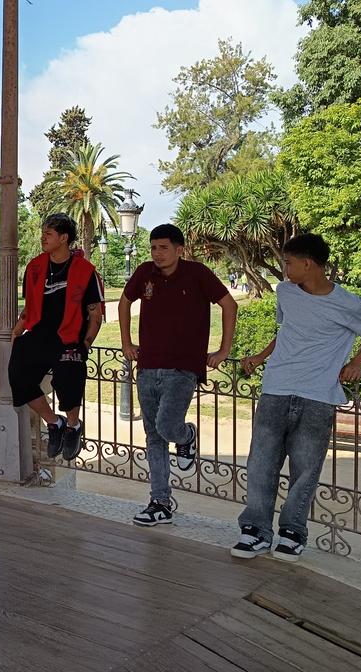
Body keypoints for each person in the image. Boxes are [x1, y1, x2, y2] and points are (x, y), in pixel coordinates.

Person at [232, 233, 361, 561]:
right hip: (276, 387)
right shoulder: (286, 292)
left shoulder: (347, 303)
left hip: (318, 395)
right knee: (260, 463)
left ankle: (292, 532)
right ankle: (256, 530)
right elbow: (288, 330)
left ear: (307, 264)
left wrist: (357, 362)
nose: (284, 268)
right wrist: (260, 356)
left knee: (305, 468)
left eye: (288, 263)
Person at [119, 223, 238, 526]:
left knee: (167, 425)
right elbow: (124, 302)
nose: (157, 253)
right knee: (153, 436)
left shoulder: (197, 273)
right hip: (147, 366)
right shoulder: (145, 272)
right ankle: (160, 503)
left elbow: (229, 304)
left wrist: (224, 350)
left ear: (179, 249)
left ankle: (186, 436)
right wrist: (126, 343)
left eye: (164, 247)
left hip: (183, 367)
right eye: (153, 248)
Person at [9, 213, 104, 463]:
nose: (43, 238)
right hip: (39, 334)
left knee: (68, 380)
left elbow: (95, 313)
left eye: (48, 234)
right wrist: (18, 330)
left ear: (64, 238)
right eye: (43, 233)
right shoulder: (35, 266)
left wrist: (85, 344)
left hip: (69, 337)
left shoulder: (86, 271)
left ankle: (73, 426)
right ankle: (54, 423)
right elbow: (30, 304)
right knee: (18, 378)